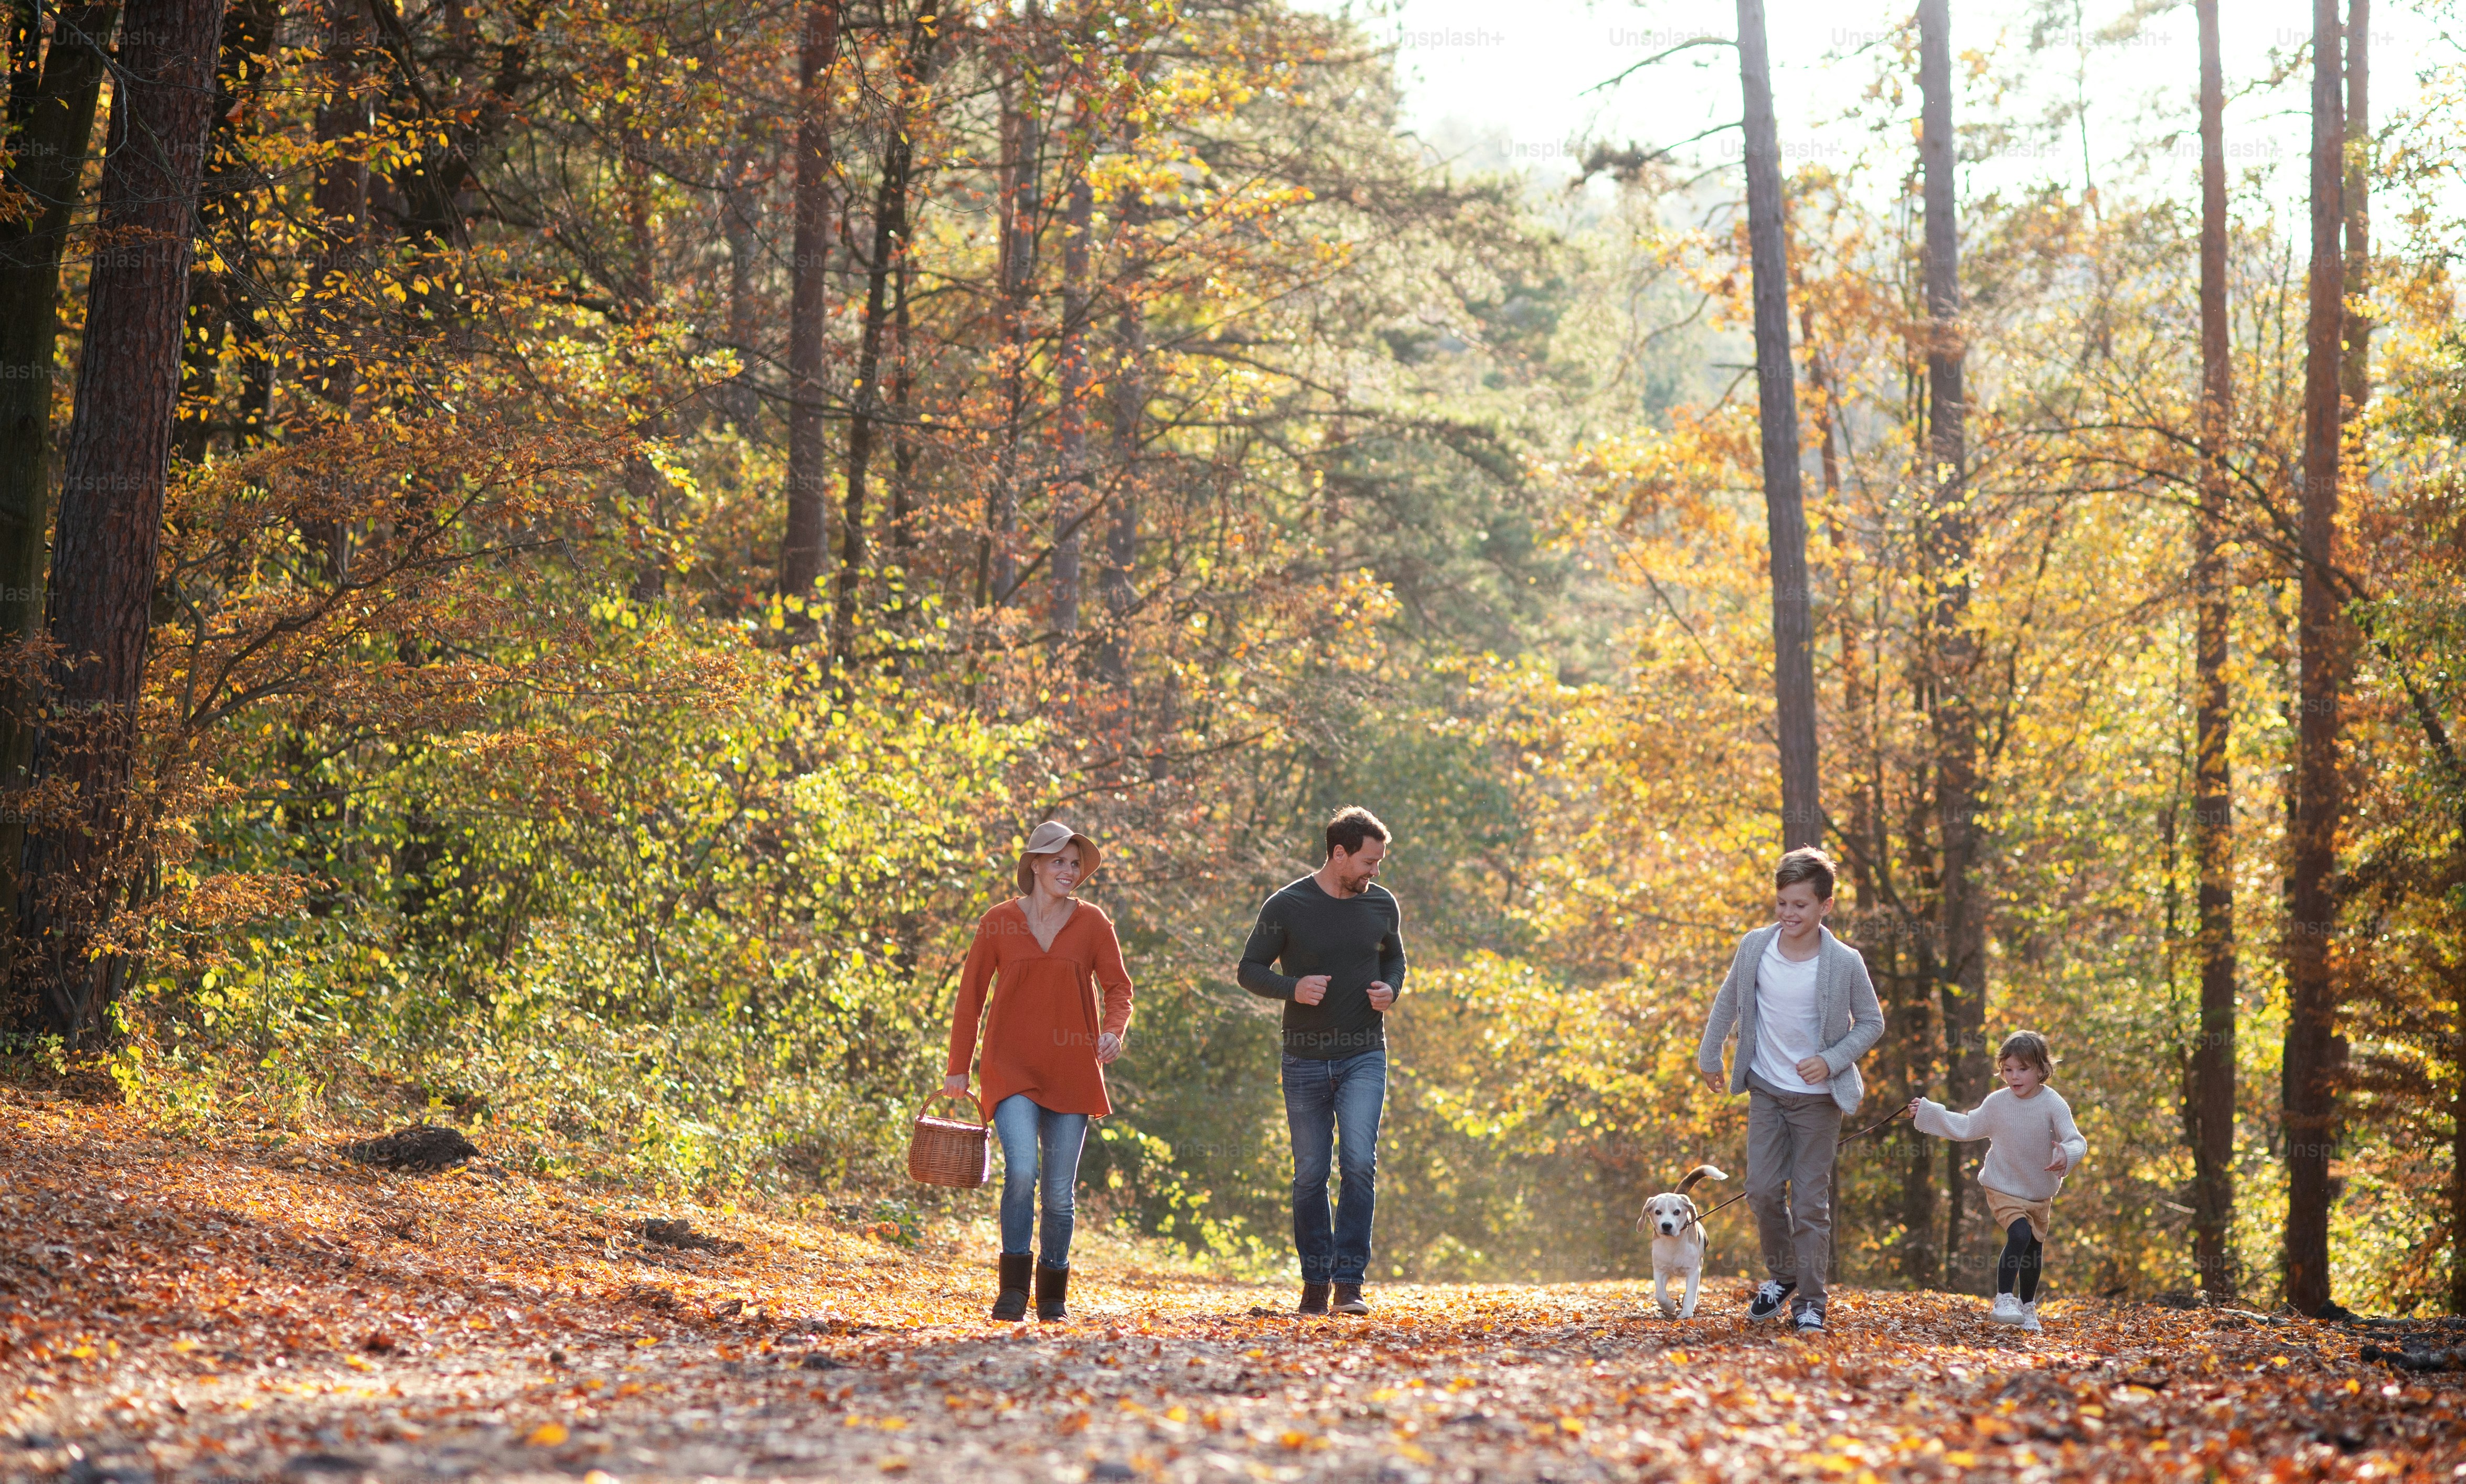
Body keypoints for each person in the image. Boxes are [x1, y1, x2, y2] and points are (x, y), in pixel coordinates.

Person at [945, 820, 1134, 1323]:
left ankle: (1052, 1292)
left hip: (1073, 1071)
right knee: (1022, 1171)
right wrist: (957, 1068)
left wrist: (1114, 1030)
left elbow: (1119, 989)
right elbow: (971, 998)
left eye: (1075, 863)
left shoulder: (1093, 923)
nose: (1069, 871)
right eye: (1058, 861)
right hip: (1010, 1069)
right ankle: (1011, 1290)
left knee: (1057, 1193)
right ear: (1034, 864)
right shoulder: (999, 922)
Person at [1695, 846, 1884, 1333]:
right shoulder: (1756, 945)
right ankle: (1783, 1275)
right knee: (1760, 1190)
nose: (1788, 914)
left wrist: (1831, 1059)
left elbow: (1871, 1021)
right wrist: (1709, 1054)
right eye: (1782, 902)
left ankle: (1811, 1302)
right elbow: (1729, 999)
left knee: (1807, 1201)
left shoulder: (1844, 961)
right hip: (1766, 1089)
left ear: (1825, 905)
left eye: (1799, 905)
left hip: (1818, 1102)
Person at [1238, 806, 1406, 1317]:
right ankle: (1315, 1280)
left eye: (1379, 862)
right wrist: (1294, 988)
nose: (1375, 871)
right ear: (1339, 854)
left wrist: (1390, 989)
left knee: (1359, 1165)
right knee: (1310, 1173)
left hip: (1364, 1054)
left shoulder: (1382, 905)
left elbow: (1395, 958)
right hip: (1304, 1059)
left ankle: (1349, 1282)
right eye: (1369, 861)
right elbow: (1248, 970)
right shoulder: (1286, 906)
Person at [1907, 1031, 2088, 1333]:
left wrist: (2067, 1154)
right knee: (2018, 1235)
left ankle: (2028, 1307)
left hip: (2039, 1191)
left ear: (2042, 1070)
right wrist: (1928, 1112)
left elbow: (2076, 1140)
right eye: (2008, 1070)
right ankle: (2004, 1298)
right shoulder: (1997, 1103)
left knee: (2033, 1248)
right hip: (2002, 1184)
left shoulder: (2053, 1103)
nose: (2014, 1076)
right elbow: (1966, 1126)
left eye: (2023, 1069)